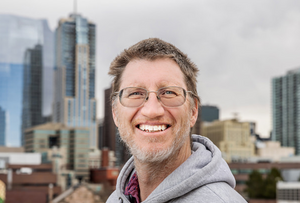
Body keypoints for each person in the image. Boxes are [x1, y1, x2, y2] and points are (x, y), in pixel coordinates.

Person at [106, 38, 247, 203]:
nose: (152, 111)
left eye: (169, 93)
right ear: (115, 113)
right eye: (135, 93)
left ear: (193, 111)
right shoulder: (115, 199)